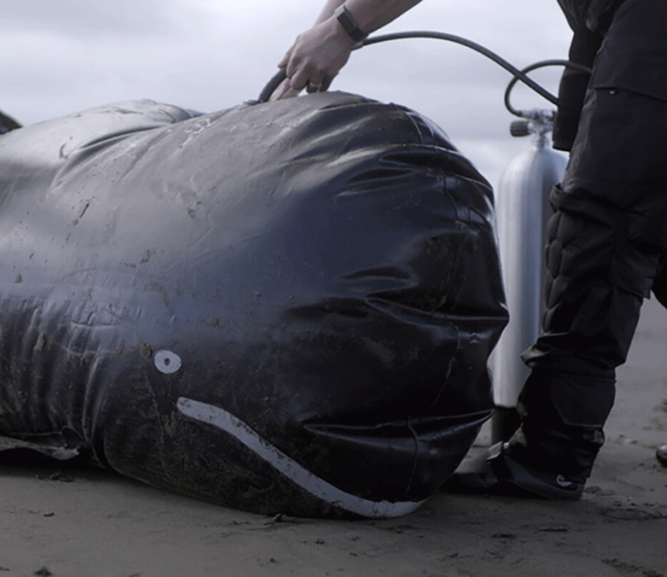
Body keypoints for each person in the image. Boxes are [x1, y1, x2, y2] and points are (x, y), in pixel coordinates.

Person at [273, 0, 667, 494]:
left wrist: (345, 29)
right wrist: (316, 45)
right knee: (647, 206)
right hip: (608, 18)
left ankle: (554, 453)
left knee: (602, 220)